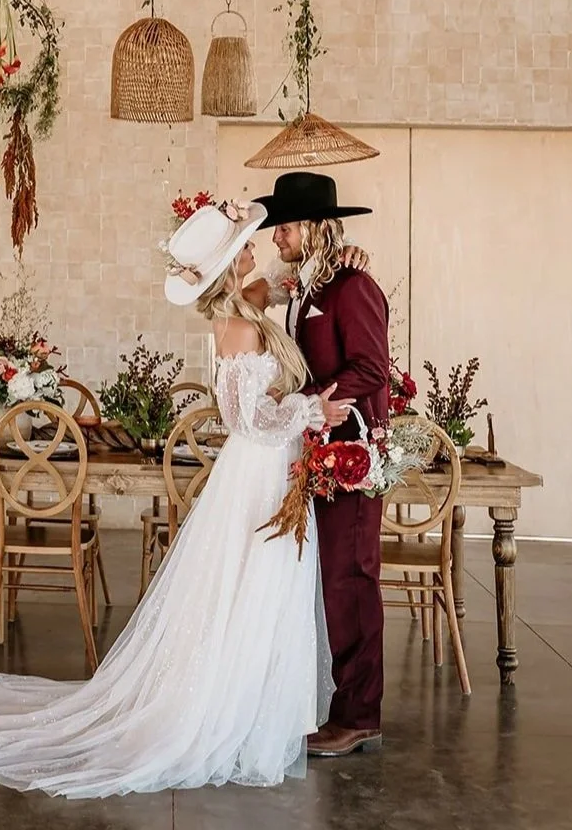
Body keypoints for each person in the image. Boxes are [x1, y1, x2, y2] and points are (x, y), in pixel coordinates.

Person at [0, 197, 352, 797]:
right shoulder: (241, 324)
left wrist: (337, 257)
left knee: (256, 587)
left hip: (269, 468)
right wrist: (311, 410)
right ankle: (231, 715)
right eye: (246, 243)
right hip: (259, 467)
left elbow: (284, 283)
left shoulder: (247, 306)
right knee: (250, 586)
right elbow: (248, 419)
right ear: (228, 265)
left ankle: (251, 706)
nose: (258, 248)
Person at [254, 171, 391, 758]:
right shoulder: (310, 286)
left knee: (350, 580)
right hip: (320, 450)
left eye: (283, 226)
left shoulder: (352, 286)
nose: (276, 236)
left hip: (352, 456)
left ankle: (359, 716)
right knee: (331, 582)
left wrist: (313, 401)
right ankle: (343, 708)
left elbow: (372, 369)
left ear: (310, 228)